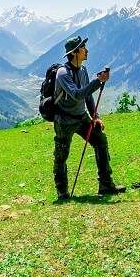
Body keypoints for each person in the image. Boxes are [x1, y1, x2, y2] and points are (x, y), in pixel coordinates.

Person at [53, 36, 126, 200]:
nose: (87, 50)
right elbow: (78, 95)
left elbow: (88, 96)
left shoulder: (83, 70)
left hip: (81, 117)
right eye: (84, 47)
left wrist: (95, 117)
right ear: (75, 52)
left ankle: (106, 185)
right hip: (64, 120)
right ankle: (62, 192)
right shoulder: (62, 73)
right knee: (61, 155)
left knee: (100, 140)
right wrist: (98, 81)